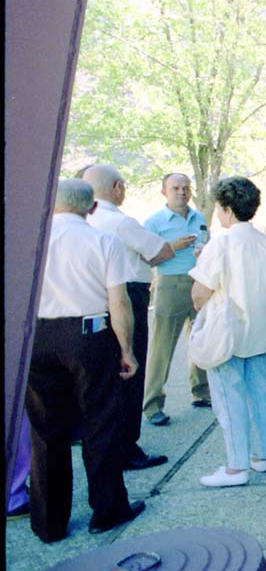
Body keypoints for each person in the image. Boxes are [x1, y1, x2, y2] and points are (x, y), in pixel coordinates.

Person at [27, 179, 143, 542]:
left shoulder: (32, 239)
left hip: (37, 336)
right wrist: (126, 349)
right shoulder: (103, 241)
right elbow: (118, 301)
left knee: (45, 431)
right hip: (88, 335)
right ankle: (107, 510)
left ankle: (48, 523)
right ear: (91, 208)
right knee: (100, 421)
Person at [82, 163, 174, 471]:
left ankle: (103, 443)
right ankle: (126, 448)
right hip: (128, 294)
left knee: (103, 375)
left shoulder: (84, 220)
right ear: (117, 187)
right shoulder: (121, 222)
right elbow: (161, 251)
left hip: (91, 300)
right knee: (130, 370)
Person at [190, 176, 266, 488]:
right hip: (260, 330)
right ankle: (261, 455)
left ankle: (236, 467)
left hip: (228, 331)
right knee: (258, 395)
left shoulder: (221, 243)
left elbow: (200, 293)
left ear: (226, 209)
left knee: (229, 400)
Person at [142, 172, 210, 425]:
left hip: (198, 282)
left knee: (200, 340)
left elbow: (208, 243)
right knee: (162, 348)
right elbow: (146, 257)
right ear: (164, 192)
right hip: (171, 285)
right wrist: (172, 246)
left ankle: (201, 392)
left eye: (186, 188)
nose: (182, 192)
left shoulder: (199, 218)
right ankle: (152, 405)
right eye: (175, 188)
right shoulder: (154, 222)